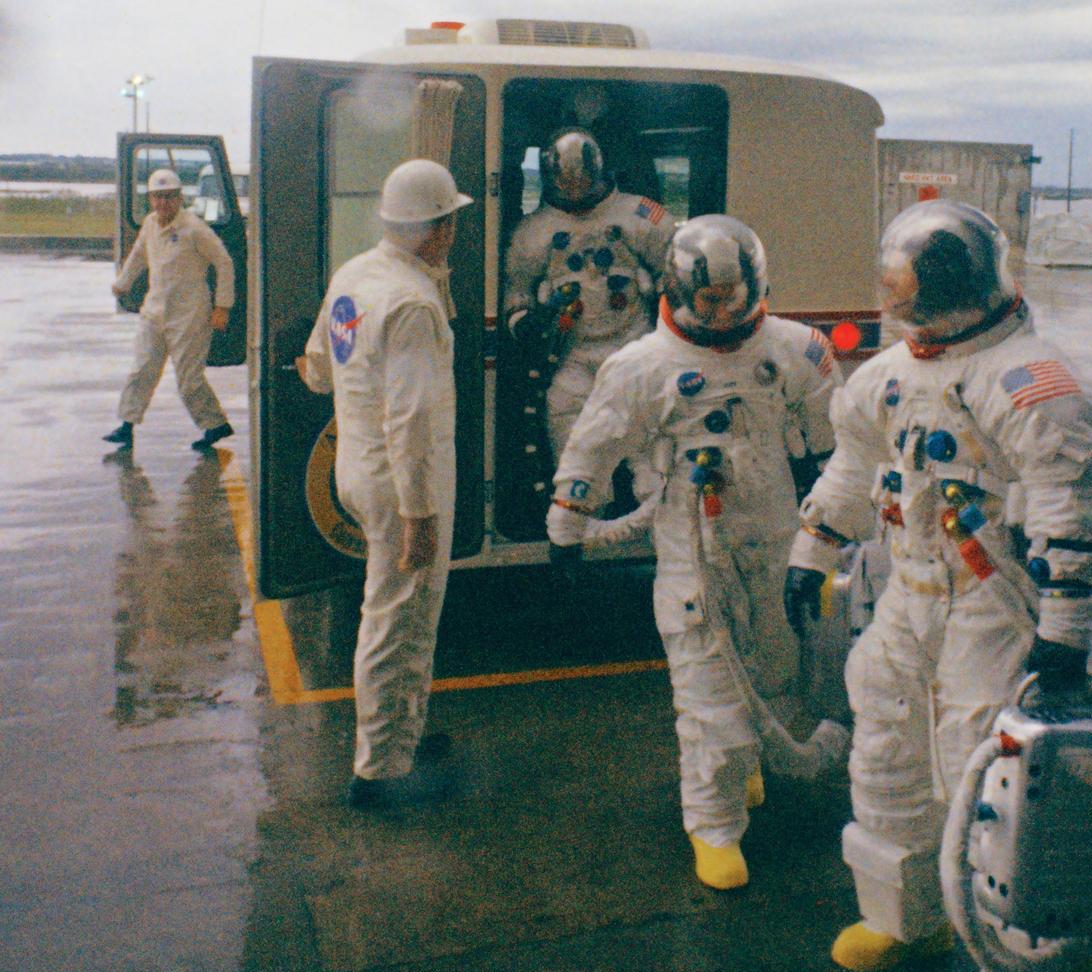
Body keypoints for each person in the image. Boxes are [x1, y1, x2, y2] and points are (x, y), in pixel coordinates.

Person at [784, 200, 1092, 972]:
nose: (912, 310)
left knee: (999, 780)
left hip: (992, 602)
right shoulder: (886, 375)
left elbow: (1066, 513)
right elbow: (857, 469)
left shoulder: (1028, 381)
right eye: (903, 293)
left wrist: (1064, 637)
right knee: (886, 746)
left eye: (924, 292)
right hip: (909, 592)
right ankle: (905, 920)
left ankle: (1038, 956)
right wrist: (812, 551)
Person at [546, 216, 839, 889]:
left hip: (773, 536)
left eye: (735, 296)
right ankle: (713, 826)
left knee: (775, 664)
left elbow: (834, 442)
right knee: (710, 688)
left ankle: (755, 760)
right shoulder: (642, 366)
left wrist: (829, 528)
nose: (724, 310)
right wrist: (568, 524)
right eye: (709, 299)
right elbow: (594, 445)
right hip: (691, 547)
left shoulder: (796, 349)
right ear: (678, 291)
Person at [299, 159, 471, 809]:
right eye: (450, 219)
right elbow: (412, 419)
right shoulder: (413, 303)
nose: (454, 230)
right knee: (399, 620)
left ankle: (404, 731)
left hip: (358, 468)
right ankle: (379, 769)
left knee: (405, 613)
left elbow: (318, 370)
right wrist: (421, 514)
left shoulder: (356, 276)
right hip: (405, 482)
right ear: (436, 227)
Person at [504, 128, 675, 463]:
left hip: (634, 346)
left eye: (581, 181)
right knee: (571, 444)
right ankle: (581, 511)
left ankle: (649, 506)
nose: (574, 191)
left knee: (649, 455)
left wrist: (670, 325)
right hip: (573, 355)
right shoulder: (532, 233)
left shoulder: (641, 215)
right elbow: (517, 296)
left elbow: (672, 275)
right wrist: (529, 323)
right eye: (565, 183)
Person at [103, 168, 236, 452]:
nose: (163, 203)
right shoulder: (151, 224)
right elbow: (139, 255)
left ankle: (215, 424)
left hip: (189, 315)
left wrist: (222, 306)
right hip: (155, 311)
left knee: (189, 380)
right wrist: (122, 283)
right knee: (141, 369)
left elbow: (224, 262)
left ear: (179, 198)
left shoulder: (194, 229)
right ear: (150, 199)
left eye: (169, 197)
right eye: (157, 197)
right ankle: (126, 427)